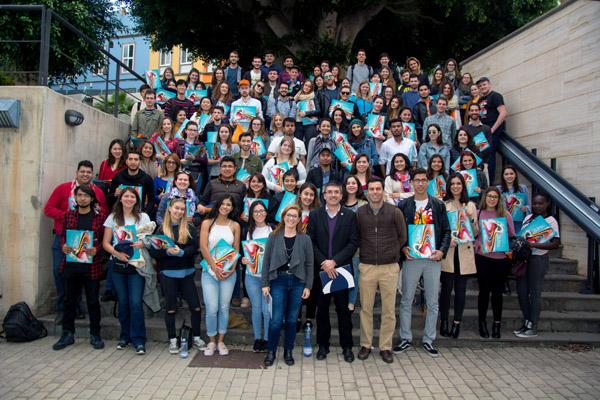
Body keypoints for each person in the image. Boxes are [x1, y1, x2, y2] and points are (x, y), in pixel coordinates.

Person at [396, 168, 451, 358]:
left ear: (428, 182)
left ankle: (429, 340)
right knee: (406, 300)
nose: (420, 183)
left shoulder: (438, 205)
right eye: (417, 180)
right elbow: (399, 231)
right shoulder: (404, 205)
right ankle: (405, 338)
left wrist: (442, 251)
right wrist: (403, 248)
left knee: (433, 302)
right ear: (411, 182)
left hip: (431, 259)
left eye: (423, 180)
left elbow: (446, 231)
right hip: (412, 258)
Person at [44, 161, 109, 314]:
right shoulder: (63, 188)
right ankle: (63, 307)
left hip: (87, 239)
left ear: (92, 175)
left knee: (82, 274)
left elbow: (105, 212)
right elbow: (48, 209)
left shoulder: (98, 192)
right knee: (58, 271)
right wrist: (67, 216)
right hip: (64, 237)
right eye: (82, 172)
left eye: (88, 172)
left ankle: (77, 306)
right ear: (77, 173)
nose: (85, 174)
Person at [305, 182, 358, 362]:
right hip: (321, 272)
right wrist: (324, 263)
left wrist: (335, 261)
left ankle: (347, 347)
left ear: (341, 195)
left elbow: (353, 243)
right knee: (322, 311)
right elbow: (310, 242)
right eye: (330, 192)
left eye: (337, 192)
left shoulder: (350, 216)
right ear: (324, 195)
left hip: (341, 270)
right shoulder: (315, 215)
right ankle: (323, 346)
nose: (333, 195)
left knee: (344, 311)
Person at [356, 178, 406, 363]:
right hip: (367, 266)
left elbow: (402, 237)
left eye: (378, 189)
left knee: (388, 310)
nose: (375, 192)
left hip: (389, 267)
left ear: (383, 191)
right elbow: (357, 236)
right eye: (372, 189)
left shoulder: (395, 212)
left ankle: (385, 347)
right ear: (367, 192)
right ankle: (365, 344)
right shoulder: (360, 213)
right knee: (366, 309)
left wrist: (391, 252)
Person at [148, 198, 207, 354]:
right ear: (169, 208)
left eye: (182, 209)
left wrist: (181, 252)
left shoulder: (189, 227)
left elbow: (194, 248)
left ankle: (196, 337)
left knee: (195, 306)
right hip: (168, 275)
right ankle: (173, 340)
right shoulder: (161, 230)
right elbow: (153, 251)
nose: (179, 211)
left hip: (187, 273)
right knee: (171, 308)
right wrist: (165, 252)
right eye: (176, 208)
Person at [52, 185, 106, 351]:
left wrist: (97, 249)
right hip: (71, 264)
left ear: (92, 198)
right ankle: (67, 333)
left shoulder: (99, 217)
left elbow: (104, 240)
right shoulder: (69, 215)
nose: (82, 198)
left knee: (92, 301)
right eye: (79, 195)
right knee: (70, 301)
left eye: (86, 195)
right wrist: (64, 246)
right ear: (75, 197)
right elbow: (63, 236)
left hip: (91, 267)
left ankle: (95, 334)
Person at [262, 204, 314, 367]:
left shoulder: (305, 239)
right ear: (283, 217)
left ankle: (288, 351)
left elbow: (310, 264)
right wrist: (265, 283)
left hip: (298, 282)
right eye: (288, 215)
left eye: (295, 216)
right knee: (276, 319)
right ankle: (271, 351)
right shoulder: (274, 236)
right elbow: (266, 262)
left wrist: (308, 286)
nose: (291, 218)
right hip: (278, 281)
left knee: (292, 320)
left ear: (299, 219)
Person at [102, 187, 151, 354]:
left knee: (136, 303)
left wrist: (142, 243)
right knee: (123, 303)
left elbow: (149, 239)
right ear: (120, 199)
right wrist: (117, 254)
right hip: (118, 265)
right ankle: (124, 336)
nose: (129, 199)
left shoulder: (143, 217)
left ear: (136, 200)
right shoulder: (112, 218)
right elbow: (105, 243)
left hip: (137, 265)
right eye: (126, 196)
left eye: (132, 196)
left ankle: (139, 339)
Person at [199, 195, 241, 356]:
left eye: (228, 204)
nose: (225, 207)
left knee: (224, 307)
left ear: (232, 208)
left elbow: (236, 249)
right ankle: (211, 341)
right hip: (209, 272)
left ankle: (221, 341)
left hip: (228, 272)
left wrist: (232, 268)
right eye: (222, 204)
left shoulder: (235, 225)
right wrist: (214, 267)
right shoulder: (207, 223)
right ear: (218, 205)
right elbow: (203, 247)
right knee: (211, 308)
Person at [514, 193, 560, 338]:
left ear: (547, 204)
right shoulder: (528, 218)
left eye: (540, 203)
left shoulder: (551, 221)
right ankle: (527, 321)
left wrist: (534, 244)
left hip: (538, 259)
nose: (537, 206)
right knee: (521, 292)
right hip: (524, 259)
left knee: (535, 293)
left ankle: (533, 325)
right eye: (534, 203)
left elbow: (555, 244)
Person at [439, 174, 478, 339]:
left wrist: (471, 219)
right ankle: (444, 322)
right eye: (453, 183)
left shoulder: (470, 205)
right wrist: (448, 241)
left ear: (463, 186)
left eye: (458, 183)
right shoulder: (443, 204)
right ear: (449, 186)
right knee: (446, 290)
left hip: (464, 252)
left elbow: (475, 233)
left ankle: (457, 323)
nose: (455, 186)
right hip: (449, 252)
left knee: (461, 291)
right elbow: (439, 229)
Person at [475, 187, 516, 339]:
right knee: (484, 292)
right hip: (483, 258)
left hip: (501, 260)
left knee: (497, 293)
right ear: (485, 197)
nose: (492, 199)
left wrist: (509, 248)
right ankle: (482, 323)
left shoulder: (505, 215)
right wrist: (477, 240)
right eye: (489, 196)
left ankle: (497, 324)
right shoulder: (479, 213)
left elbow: (512, 236)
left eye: (495, 197)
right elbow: (474, 235)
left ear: (499, 199)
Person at [241, 201, 273, 352]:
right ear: (252, 215)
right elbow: (244, 254)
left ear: (266, 213)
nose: (259, 214)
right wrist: (244, 259)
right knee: (256, 308)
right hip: (251, 276)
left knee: (267, 310)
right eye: (256, 212)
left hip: (267, 277)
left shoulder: (272, 230)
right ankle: (257, 339)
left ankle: (266, 339)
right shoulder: (248, 231)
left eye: (261, 211)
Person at [477, 77, 507, 183]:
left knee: (490, 156)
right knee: (481, 156)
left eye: (484, 84)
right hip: (481, 133)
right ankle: (483, 181)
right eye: (480, 86)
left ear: (489, 84)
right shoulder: (480, 100)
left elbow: (503, 113)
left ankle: (490, 182)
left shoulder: (495, 96)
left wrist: (493, 129)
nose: (482, 87)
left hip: (491, 131)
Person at [108, 151, 155, 215]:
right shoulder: (118, 177)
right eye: (130, 159)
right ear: (126, 161)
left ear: (140, 162)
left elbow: (151, 200)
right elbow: (108, 199)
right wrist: (115, 194)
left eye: (136, 159)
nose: (133, 162)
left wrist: (145, 213)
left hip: (139, 215)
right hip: (120, 214)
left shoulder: (147, 178)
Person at [464, 103, 492, 179]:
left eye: (476, 110)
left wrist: (480, 164)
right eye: (472, 110)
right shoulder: (464, 129)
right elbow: (463, 147)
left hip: (483, 165)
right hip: (467, 165)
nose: (474, 112)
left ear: (480, 111)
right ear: (469, 112)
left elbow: (488, 149)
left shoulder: (486, 129)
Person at [498, 165, 530, 233]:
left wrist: (525, 208)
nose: (509, 176)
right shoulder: (498, 189)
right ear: (503, 176)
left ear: (515, 175)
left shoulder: (522, 188)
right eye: (506, 174)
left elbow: (529, 205)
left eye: (511, 173)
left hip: (519, 222)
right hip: (504, 222)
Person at [175, 120, 208, 186]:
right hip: (181, 172)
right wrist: (180, 161)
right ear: (185, 130)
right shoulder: (179, 144)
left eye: (194, 130)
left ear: (197, 133)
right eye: (190, 130)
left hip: (195, 173)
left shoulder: (201, 145)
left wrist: (194, 158)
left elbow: (205, 160)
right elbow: (174, 158)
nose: (192, 132)